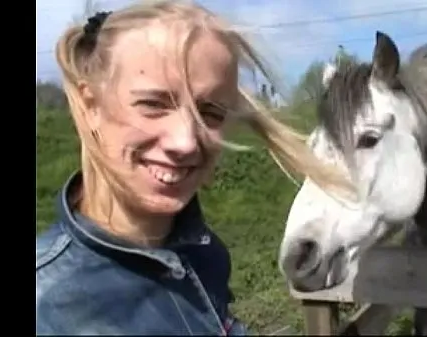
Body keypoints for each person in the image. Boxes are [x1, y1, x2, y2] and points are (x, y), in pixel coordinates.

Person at [35, 0, 351, 335]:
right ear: (90, 105)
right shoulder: (48, 303)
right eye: (153, 104)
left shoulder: (199, 249)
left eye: (211, 112)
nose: (186, 141)